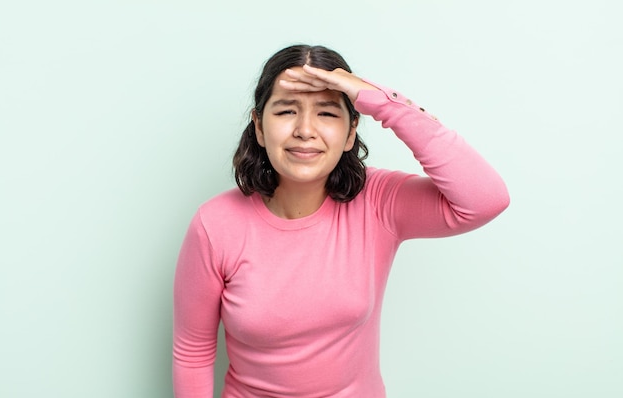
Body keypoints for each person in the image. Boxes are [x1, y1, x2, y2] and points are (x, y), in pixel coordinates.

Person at [172, 44, 510, 397]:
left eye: (328, 113)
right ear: (259, 127)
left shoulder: (379, 201)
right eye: (287, 110)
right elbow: (192, 354)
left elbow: (486, 200)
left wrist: (382, 102)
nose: (305, 130)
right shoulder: (214, 224)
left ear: (351, 132)